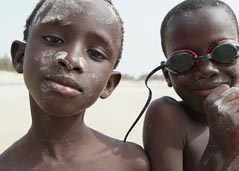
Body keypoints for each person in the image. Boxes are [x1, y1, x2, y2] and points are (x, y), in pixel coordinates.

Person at [0, 0, 149, 170]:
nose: (71, 59)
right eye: (53, 39)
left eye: (95, 53)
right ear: (20, 56)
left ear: (109, 84)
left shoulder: (131, 163)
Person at [143, 0, 239, 171]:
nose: (207, 70)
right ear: (167, 74)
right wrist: (219, 151)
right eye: (183, 61)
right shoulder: (168, 115)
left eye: (223, 52)